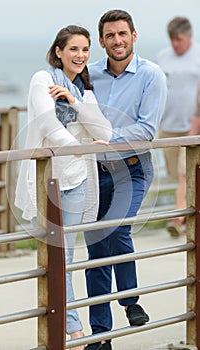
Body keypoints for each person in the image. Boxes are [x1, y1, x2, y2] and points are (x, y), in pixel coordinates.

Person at [14, 25, 112, 350]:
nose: (80, 55)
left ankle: (71, 332)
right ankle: (71, 330)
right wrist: (79, 146)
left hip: (75, 181)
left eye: (85, 50)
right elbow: (47, 122)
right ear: (58, 51)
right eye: (73, 49)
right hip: (46, 183)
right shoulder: (42, 80)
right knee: (57, 257)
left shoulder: (84, 90)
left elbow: (104, 131)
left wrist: (74, 100)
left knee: (66, 256)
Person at [83, 9, 167, 350]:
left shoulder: (152, 75)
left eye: (123, 33)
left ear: (134, 35)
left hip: (132, 168)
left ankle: (130, 299)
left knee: (118, 228)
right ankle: (100, 336)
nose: (117, 40)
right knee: (96, 252)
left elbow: (147, 129)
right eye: (110, 36)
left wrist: (105, 135)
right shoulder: (88, 76)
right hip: (93, 172)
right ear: (101, 41)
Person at [156, 17, 200, 237]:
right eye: (172, 39)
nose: (175, 44)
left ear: (189, 37)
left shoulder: (198, 56)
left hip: (193, 128)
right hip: (169, 127)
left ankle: (177, 218)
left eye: (179, 40)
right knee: (178, 176)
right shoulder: (163, 57)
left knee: (185, 175)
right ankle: (186, 219)